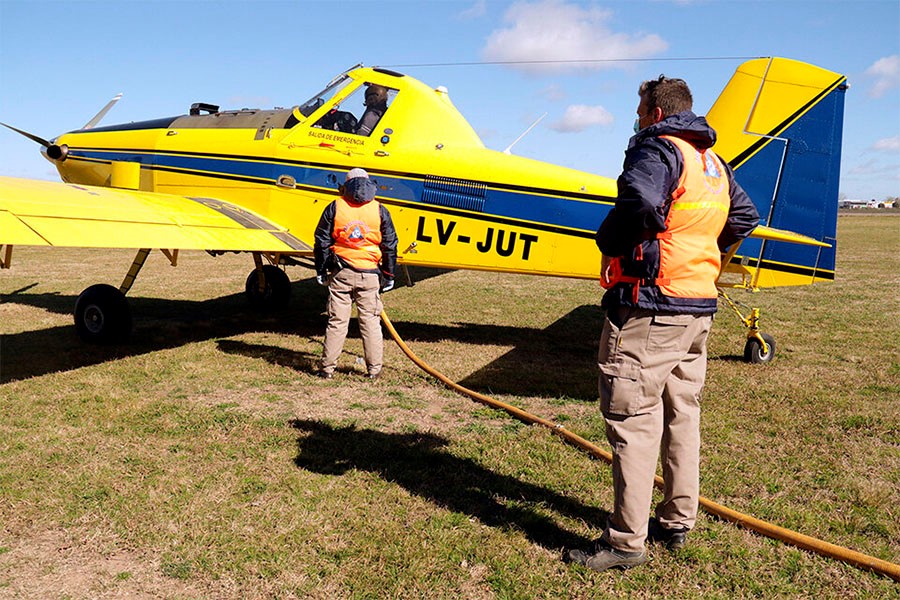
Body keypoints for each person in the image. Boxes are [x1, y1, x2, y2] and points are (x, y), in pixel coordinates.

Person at [566, 76, 759, 572]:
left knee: (632, 418)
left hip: (651, 307)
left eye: (638, 107)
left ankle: (626, 542)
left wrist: (610, 243)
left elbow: (639, 203)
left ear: (654, 112)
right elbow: (744, 215)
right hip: (698, 306)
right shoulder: (711, 161)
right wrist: (702, 257)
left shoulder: (656, 150)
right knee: (682, 414)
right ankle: (677, 519)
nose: (635, 116)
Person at [314, 168, 398, 379]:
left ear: (346, 184)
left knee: (337, 322)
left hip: (341, 273)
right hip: (370, 275)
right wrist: (388, 274)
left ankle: (327, 369)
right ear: (369, 184)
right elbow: (390, 244)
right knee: (370, 322)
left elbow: (322, 240)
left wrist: (321, 270)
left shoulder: (335, 206)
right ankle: (374, 370)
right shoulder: (380, 210)